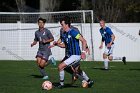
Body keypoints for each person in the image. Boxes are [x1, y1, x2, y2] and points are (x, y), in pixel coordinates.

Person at [51, 16, 94, 88]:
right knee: (77, 69)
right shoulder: (64, 34)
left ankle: (61, 84)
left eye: (62, 24)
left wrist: (83, 52)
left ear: (67, 24)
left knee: (60, 67)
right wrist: (57, 44)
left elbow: (83, 41)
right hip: (69, 55)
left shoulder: (73, 32)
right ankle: (89, 81)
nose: (61, 26)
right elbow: (64, 45)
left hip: (75, 55)